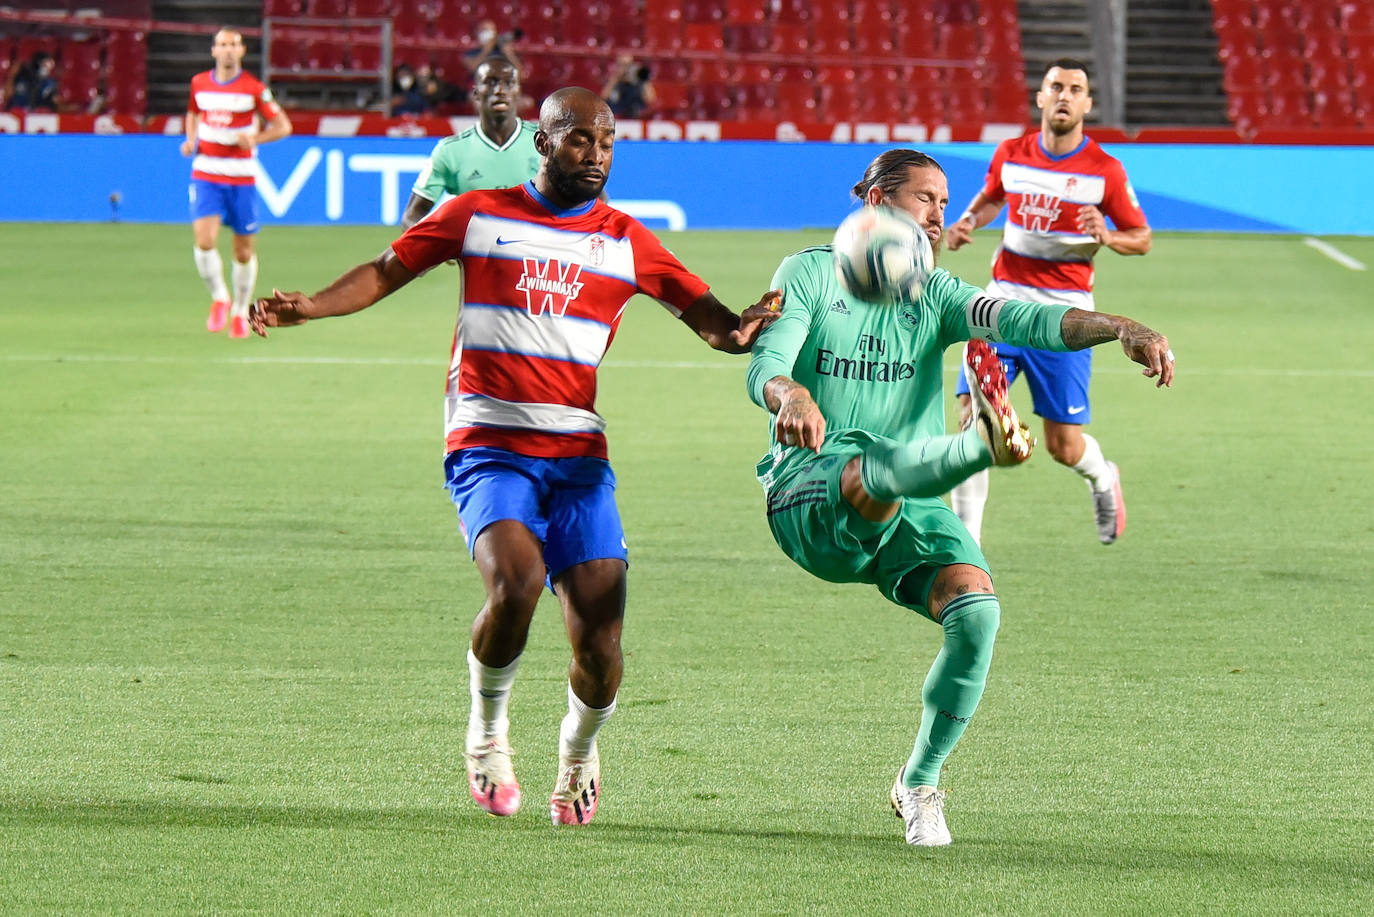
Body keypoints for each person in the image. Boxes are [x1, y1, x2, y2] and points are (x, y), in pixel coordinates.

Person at [249, 87, 781, 828]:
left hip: (577, 452)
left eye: (605, 143)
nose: (594, 156)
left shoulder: (628, 238)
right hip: (488, 439)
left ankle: (578, 750)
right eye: (577, 141)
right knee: (517, 581)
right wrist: (310, 305)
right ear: (542, 141)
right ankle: (487, 731)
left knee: (600, 633)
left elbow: (714, 326)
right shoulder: (478, 215)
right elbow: (385, 269)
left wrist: (753, 323)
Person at [746, 148, 1173, 846]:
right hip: (810, 493)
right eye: (926, 198)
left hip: (909, 503)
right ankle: (980, 445)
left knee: (977, 611)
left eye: (946, 203)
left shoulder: (936, 293)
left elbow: (1029, 320)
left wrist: (1119, 325)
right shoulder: (810, 273)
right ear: (878, 200)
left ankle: (919, 781)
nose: (942, 216)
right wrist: (788, 391)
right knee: (869, 467)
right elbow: (766, 360)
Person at [944, 59, 1152, 546]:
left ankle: (1102, 477)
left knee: (1063, 445)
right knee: (972, 422)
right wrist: (971, 221)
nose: (1064, 95)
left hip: (1063, 317)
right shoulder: (1012, 153)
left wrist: (1110, 235)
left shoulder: (1104, 170)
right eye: (1055, 86)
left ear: (1086, 104)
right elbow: (994, 194)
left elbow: (1142, 237)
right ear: (1041, 98)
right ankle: (966, 550)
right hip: (1000, 307)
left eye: (1075, 89)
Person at [181, 27, 292, 339]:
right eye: (222, 45)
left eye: (233, 45)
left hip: (241, 177)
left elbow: (283, 126)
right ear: (213, 51)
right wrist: (191, 140)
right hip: (206, 173)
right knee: (204, 240)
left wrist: (255, 138)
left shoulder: (253, 88)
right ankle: (220, 297)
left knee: (242, 252)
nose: (227, 50)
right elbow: (192, 113)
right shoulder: (199, 84)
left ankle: (241, 310)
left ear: (241, 51)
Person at [400, 56, 538, 230]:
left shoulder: (544, 145)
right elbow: (411, 215)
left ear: (519, 91)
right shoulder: (450, 150)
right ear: (475, 93)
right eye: (490, 82)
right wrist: (437, 247)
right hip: (473, 256)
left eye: (509, 83)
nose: (500, 90)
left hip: (530, 256)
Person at [600, 53, 656, 120]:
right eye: (622, 65)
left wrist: (642, 77)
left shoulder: (638, 82)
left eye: (629, 65)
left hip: (635, 118)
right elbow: (603, 98)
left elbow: (651, 99)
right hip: (617, 118)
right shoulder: (614, 80)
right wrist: (616, 78)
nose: (626, 68)